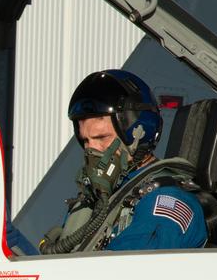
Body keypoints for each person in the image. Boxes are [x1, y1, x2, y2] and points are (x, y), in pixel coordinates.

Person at [37, 69, 207, 254]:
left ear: (138, 134)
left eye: (102, 137)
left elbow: (128, 269)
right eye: (85, 140)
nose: (91, 149)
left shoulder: (167, 202)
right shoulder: (95, 201)